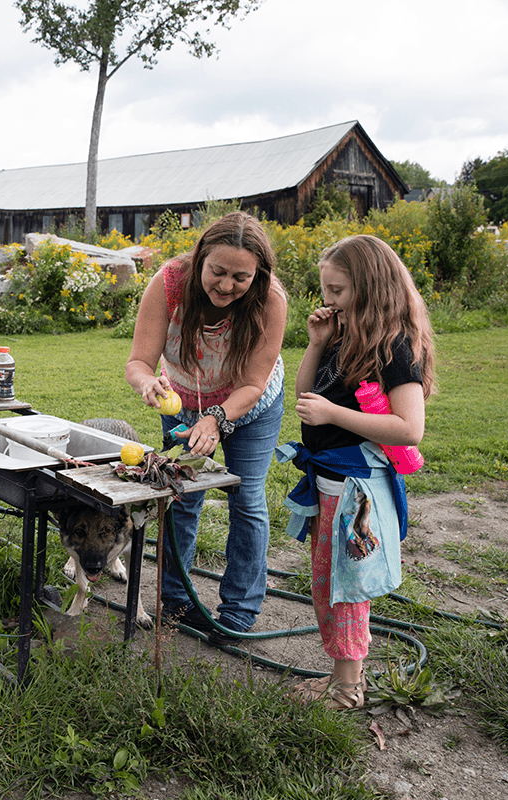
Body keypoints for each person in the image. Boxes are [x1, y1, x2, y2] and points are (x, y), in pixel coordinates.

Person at [278, 234, 435, 710]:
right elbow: (307, 399)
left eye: (338, 290)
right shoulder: (344, 337)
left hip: (357, 490)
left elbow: (409, 428)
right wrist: (316, 344)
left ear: (371, 288)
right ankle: (340, 678)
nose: (328, 300)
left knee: (347, 587)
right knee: (327, 581)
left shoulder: (393, 349)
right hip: (330, 485)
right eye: (324, 289)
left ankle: (347, 689)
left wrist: (334, 415)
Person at [125, 211, 288, 641]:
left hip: (249, 406)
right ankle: (176, 601)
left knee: (246, 497)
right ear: (200, 260)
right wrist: (147, 383)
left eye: (241, 277)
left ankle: (238, 612)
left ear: (258, 274)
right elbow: (139, 362)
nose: (226, 286)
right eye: (217, 271)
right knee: (179, 494)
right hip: (182, 401)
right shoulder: (169, 283)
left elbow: (253, 383)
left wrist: (216, 420)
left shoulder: (271, 300)